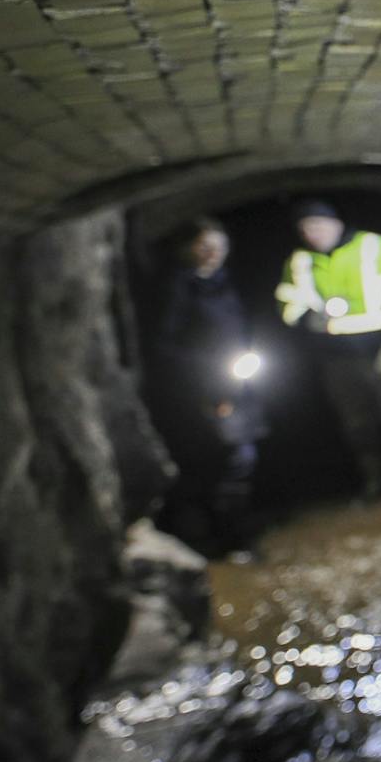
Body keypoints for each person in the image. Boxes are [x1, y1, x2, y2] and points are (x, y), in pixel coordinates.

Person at [274, 199, 381, 502]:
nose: (313, 234)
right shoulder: (299, 261)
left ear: (337, 223)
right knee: (357, 424)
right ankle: (374, 484)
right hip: (337, 360)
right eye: (306, 228)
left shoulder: (378, 248)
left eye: (318, 225)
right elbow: (285, 302)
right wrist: (308, 317)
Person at [149, 216, 266, 555]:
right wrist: (210, 381)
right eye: (204, 246)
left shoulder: (221, 282)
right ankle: (224, 539)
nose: (212, 253)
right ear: (186, 249)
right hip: (206, 391)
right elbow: (165, 346)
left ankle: (232, 531)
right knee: (227, 460)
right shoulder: (177, 288)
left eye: (219, 246)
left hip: (236, 386)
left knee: (240, 458)